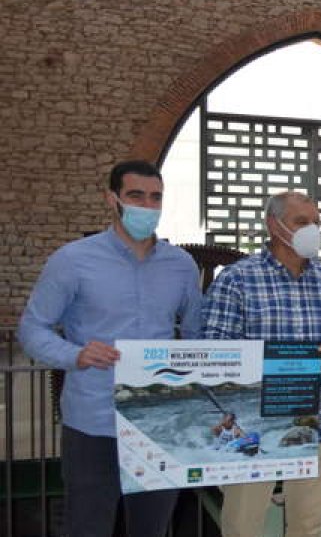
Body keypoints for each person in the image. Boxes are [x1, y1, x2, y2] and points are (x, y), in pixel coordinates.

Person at [17, 160, 203, 537]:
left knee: (152, 528)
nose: (147, 206)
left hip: (159, 420)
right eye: (136, 196)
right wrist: (75, 355)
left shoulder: (182, 265)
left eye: (155, 198)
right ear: (112, 199)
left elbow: (198, 333)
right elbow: (32, 328)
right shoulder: (72, 260)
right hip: (94, 421)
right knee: (89, 526)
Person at [202, 191, 321, 537]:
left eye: (316, 222)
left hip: (318, 424)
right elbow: (214, 352)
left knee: (308, 526)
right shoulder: (236, 279)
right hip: (253, 427)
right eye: (301, 222)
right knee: (243, 526)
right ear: (274, 226)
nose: (312, 229)